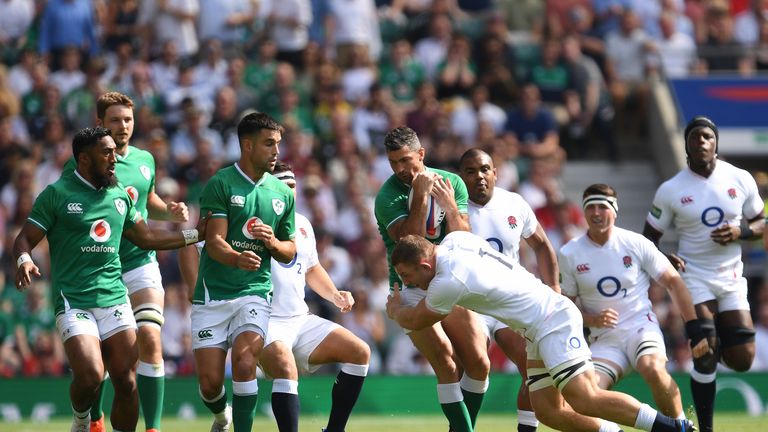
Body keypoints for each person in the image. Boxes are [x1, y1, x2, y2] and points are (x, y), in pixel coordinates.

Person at [386, 231, 698, 432]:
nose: (410, 282)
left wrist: (396, 308)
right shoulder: (456, 240)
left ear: (426, 265)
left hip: (552, 320)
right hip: (537, 326)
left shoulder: (446, 282)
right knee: (548, 411)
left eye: (407, 275)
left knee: (585, 398)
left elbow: (416, 320)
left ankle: (676, 428)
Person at [13, 127, 208, 432]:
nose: (114, 158)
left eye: (114, 152)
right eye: (106, 153)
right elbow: (24, 238)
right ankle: (81, 420)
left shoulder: (119, 196)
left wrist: (196, 233)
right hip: (74, 299)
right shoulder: (57, 194)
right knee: (91, 374)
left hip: (114, 298)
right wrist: (24, 259)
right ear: (84, 159)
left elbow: (146, 238)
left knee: (126, 380)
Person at [62, 91, 189, 432]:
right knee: (105, 356)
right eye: (116, 120)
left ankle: (153, 427)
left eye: (129, 120)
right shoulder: (84, 163)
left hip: (138, 262)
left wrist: (170, 211)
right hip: (98, 269)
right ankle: (97, 417)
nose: (124, 126)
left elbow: (147, 201)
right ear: (100, 123)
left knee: (149, 336)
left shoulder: (145, 160)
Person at [643, 116, 766, 432]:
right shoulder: (671, 189)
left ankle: (712, 346)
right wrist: (663, 257)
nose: (701, 141)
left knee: (743, 360)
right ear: (686, 144)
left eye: (707, 137)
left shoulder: (740, 179)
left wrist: (740, 231)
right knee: (704, 352)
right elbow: (648, 239)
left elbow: (762, 223)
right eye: (695, 136)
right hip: (693, 277)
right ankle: (707, 427)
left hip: (731, 277)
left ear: (716, 143)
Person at [374, 126, 489, 432]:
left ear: (421, 155)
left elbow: (464, 238)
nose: (400, 168)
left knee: (479, 363)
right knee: (447, 363)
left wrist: (449, 204)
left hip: (450, 282)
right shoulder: (387, 196)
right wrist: (421, 196)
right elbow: (410, 242)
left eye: (406, 160)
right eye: (393, 162)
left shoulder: (451, 182)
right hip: (409, 287)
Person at [561, 183, 708, 420]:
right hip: (603, 338)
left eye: (602, 206)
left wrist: (694, 327)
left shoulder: (636, 243)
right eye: (590, 207)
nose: (596, 213)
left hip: (640, 327)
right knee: (588, 395)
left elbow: (674, 282)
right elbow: (565, 307)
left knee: (653, 369)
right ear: (584, 211)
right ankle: (652, 425)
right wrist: (591, 319)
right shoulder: (569, 253)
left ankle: (680, 424)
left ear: (615, 211)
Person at [192, 112, 296, 432]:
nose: (276, 151)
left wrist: (274, 243)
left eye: (277, 144)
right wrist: (237, 258)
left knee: (245, 361)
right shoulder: (221, 183)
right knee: (210, 384)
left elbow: (291, 251)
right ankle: (222, 416)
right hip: (213, 294)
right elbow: (213, 241)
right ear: (247, 146)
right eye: (268, 144)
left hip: (254, 290)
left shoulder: (283, 194)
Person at [261, 162, 370, 432]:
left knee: (359, 352)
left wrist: (335, 294)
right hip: (265, 320)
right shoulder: (251, 223)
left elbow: (312, 269)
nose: (288, 193)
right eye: (280, 187)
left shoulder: (302, 224)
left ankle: (334, 430)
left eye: (292, 187)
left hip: (299, 318)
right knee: (287, 371)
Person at [458, 148, 559, 432]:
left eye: (484, 169)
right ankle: (462, 427)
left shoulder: (513, 203)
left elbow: (541, 244)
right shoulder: (452, 208)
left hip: (508, 301)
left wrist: (553, 287)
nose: (479, 176)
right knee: (476, 363)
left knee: (535, 369)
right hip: (469, 302)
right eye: (470, 171)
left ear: (495, 173)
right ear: (460, 177)